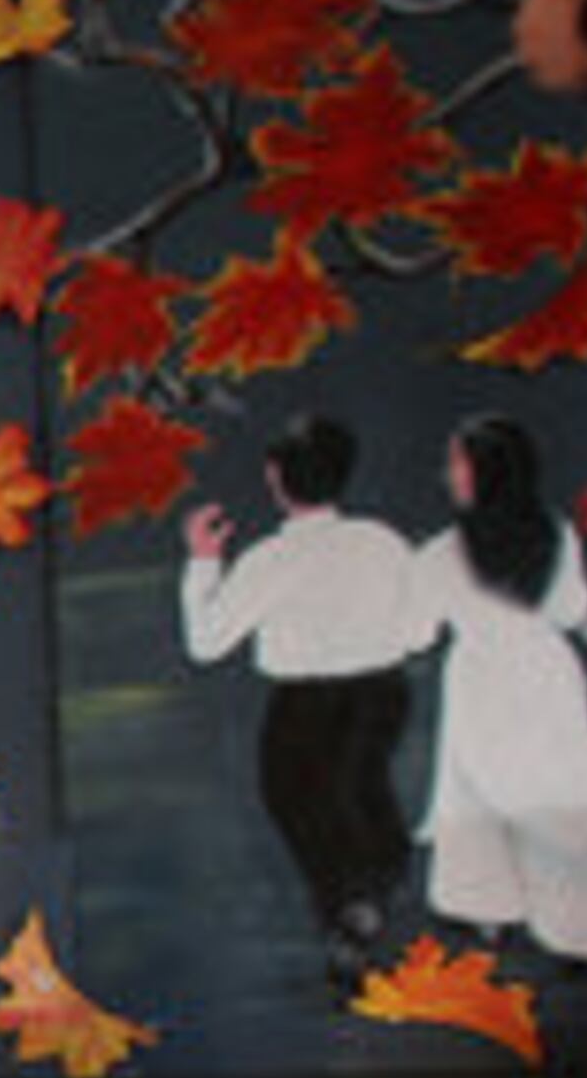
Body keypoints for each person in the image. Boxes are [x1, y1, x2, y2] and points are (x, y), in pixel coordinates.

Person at [178, 416, 427, 991]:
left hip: (306, 702)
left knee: (300, 801)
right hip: (382, 692)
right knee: (362, 789)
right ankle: (368, 895)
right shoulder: (383, 543)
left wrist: (203, 561)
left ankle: (348, 907)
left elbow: (207, 645)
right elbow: (418, 631)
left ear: (274, 478)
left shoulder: (269, 560)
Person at [407, 415, 587, 959]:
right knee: (561, 786)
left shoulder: (440, 552)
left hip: (483, 678)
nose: (448, 473)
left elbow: (416, 632)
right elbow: (569, 608)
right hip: (548, 669)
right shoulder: (554, 531)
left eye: (457, 462)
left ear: (481, 472)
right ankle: (582, 915)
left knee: (478, 791)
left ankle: (487, 909)